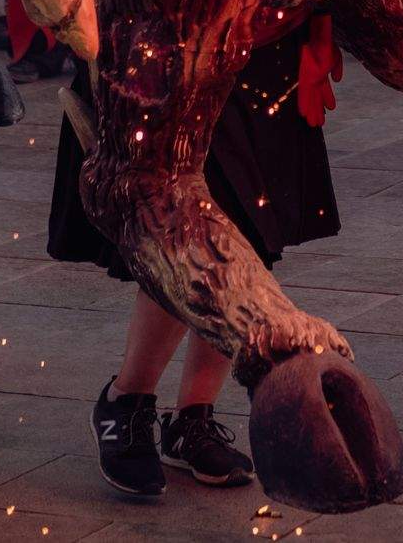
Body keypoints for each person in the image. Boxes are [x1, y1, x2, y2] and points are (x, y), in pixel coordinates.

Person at [51, 35, 338, 496]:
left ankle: (193, 418)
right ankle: (126, 400)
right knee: (178, 228)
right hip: (164, 41)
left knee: (245, 227)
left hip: (262, 43)